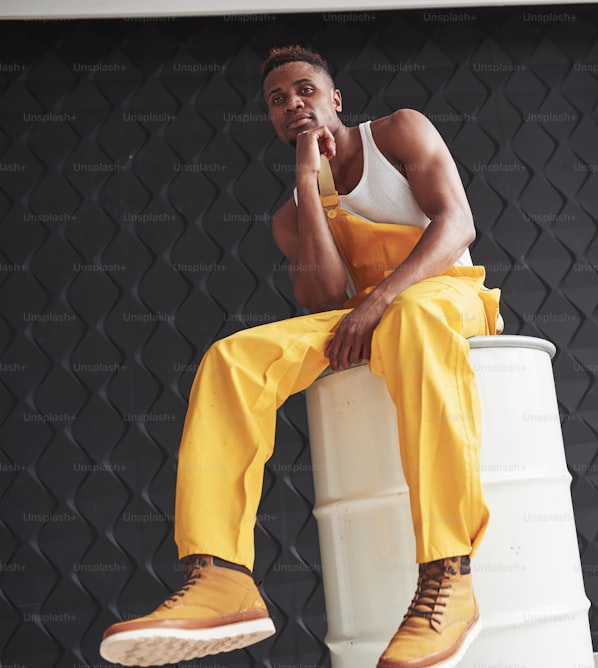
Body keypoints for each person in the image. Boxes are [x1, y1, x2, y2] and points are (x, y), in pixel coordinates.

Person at [99, 44, 500, 668]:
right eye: (277, 100)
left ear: (335, 98)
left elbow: (458, 225)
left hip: (444, 295)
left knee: (413, 317)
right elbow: (323, 298)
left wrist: (382, 299)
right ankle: (222, 575)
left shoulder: (398, 130)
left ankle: (449, 575)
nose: (293, 104)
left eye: (305, 90)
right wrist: (310, 182)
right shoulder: (290, 217)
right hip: (364, 314)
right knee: (232, 358)